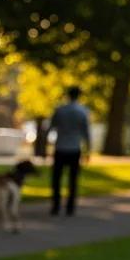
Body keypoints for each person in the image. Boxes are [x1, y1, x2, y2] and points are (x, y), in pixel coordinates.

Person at [48, 86, 91, 216]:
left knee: (57, 179)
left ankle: (56, 206)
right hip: (74, 148)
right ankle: (70, 208)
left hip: (60, 147)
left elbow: (51, 128)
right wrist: (88, 150)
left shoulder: (60, 110)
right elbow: (86, 133)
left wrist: (45, 147)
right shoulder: (83, 111)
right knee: (73, 180)